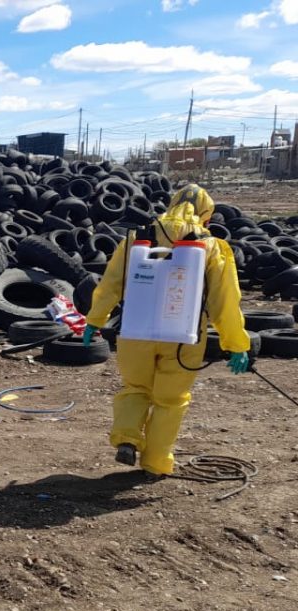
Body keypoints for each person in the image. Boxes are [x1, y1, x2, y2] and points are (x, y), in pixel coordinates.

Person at [82, 184, 249, 476]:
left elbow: (110, 284)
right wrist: (236, 344)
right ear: (206, 215)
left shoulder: (136, 238)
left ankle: (127, 437)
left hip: (135, 331)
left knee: (136, 388)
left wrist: (94, 321)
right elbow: (225, 301)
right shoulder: (213, 246)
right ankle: (156, 463)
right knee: (170, 401)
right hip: (183, 337)